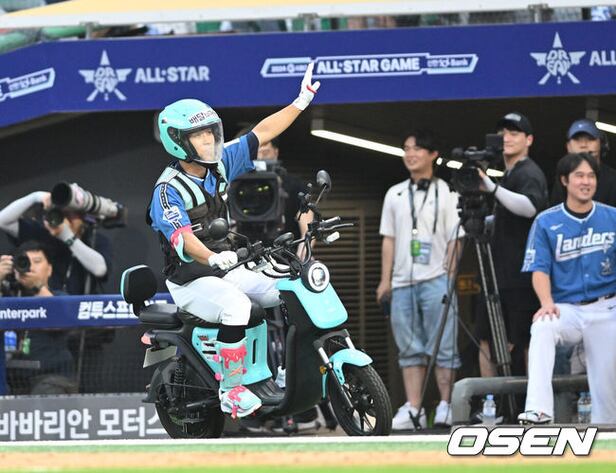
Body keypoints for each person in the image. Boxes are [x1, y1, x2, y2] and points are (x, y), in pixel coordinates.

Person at [148, 63, 320, 418]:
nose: (210, 141)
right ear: (178, 142)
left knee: (288, 290)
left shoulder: (221, 163)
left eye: (211, 133)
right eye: (200, 136)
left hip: (227, 268)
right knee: (237, 307)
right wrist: (212, 258)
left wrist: (301, 102)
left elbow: (263, 132)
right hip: (191, 280)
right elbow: (183, 238)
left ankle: (286, 369)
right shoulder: (166, 190)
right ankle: (232, 389)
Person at [519, 153, 616, 424]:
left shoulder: (612, 217)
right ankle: (538, 411)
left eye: (591, 176)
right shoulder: (546, 221)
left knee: (607, 408)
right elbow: (539, 268)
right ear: (565, 180)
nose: (586, 181)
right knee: (543, 326)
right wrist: (546, 302)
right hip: (567, 309)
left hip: (607, 307)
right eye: (579, 176)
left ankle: (606, 433)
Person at [376, 129, 463, 430]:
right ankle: (414, 408)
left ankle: (445, 405)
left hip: (437, 278)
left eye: (417, 149)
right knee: (409, 347)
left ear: (433, 155)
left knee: (444, 345)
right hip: (402, 282)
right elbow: (388, 239)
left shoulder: (448, 193)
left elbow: (455, 239)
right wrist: (385, 280)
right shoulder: (395, 193)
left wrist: (450, 277)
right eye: (406, 148)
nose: (410, 154)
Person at [476, 112, 548, 379]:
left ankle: (532, 399)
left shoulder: (529, 172)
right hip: (498, 273)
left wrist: (491, 188)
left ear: (529, 139)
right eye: (503, 133)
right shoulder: (507, 174)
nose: (507, 138)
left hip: (521, 275)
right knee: (486, 338)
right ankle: (491, 399)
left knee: (526, 340)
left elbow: (530, 207)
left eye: (514, 133)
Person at [0, 241, 76, 394]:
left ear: (49, 269)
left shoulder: (59, 297)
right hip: (11, 379)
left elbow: (63, 319)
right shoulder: (8, 297)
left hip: (51, 378)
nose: (31, 267)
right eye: (25, 261)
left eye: (37, 261)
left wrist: (36, 287)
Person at [551, 118, 616, 206]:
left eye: (590, 139)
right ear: (568, 146)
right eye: (577, 139)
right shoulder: (563, 176)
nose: (583, 144)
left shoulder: (613, 179)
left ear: (601, 144)